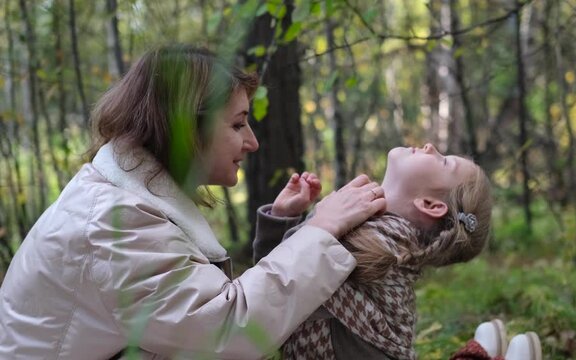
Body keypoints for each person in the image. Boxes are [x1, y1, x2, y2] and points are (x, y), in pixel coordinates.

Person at [0, 45, 386, 359]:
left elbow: (202, 308)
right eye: (237, 124)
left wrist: (284, 225)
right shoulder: (113, 224)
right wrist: (320, 230)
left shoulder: (128, 202)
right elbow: (227, 330)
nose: (252, 142)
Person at [253, 144, 541, 360]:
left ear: (429, 204)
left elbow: (279, 286)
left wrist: (312, 221)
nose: (430, 147)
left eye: (442, 161)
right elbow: (274, 292)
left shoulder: (377, 247)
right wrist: (283, 216)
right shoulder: (379, 239)